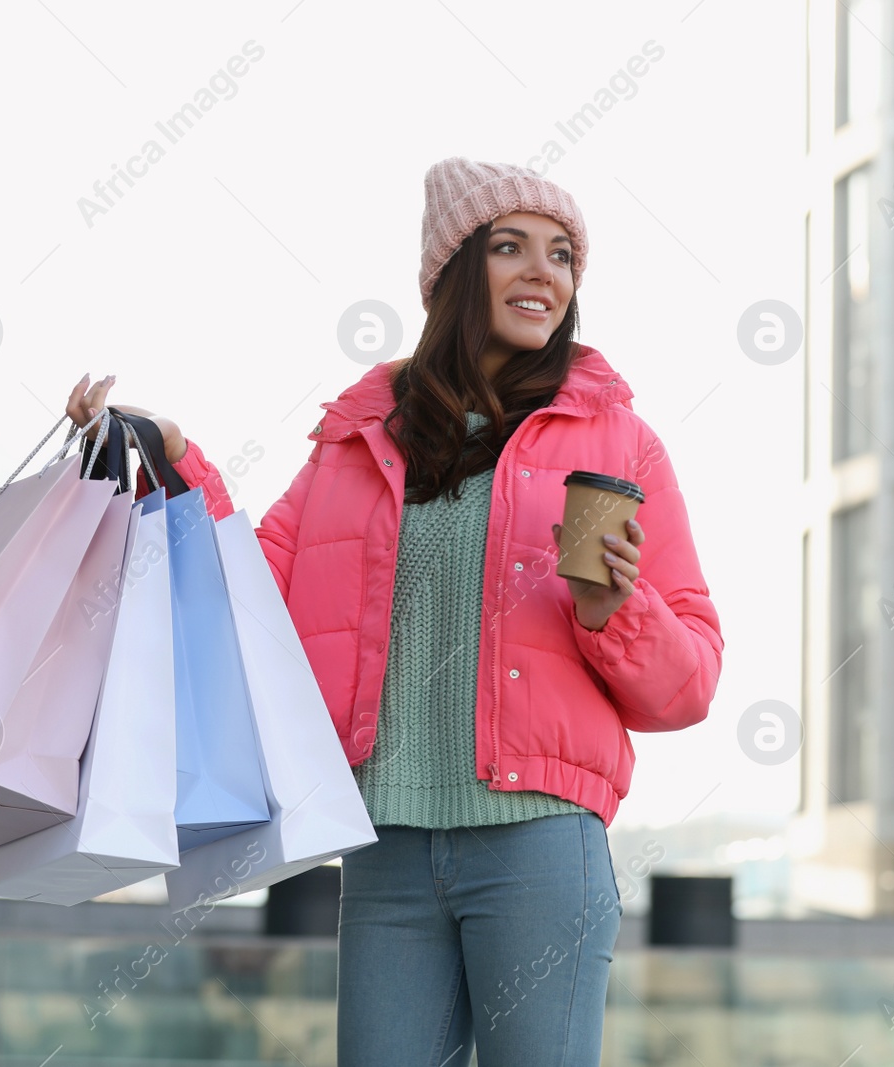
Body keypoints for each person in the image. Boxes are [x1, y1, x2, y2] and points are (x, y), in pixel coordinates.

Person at [63, 156, 725, 1066]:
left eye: (563, 255)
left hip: (539, 848)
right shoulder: (359, 438)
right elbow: (249, 598)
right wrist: (176, 457)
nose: (544, 273)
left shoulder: (619, 440)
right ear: (454, 269)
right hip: (386, 850)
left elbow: (690, 683)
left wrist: (618, 608)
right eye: (511, 247)